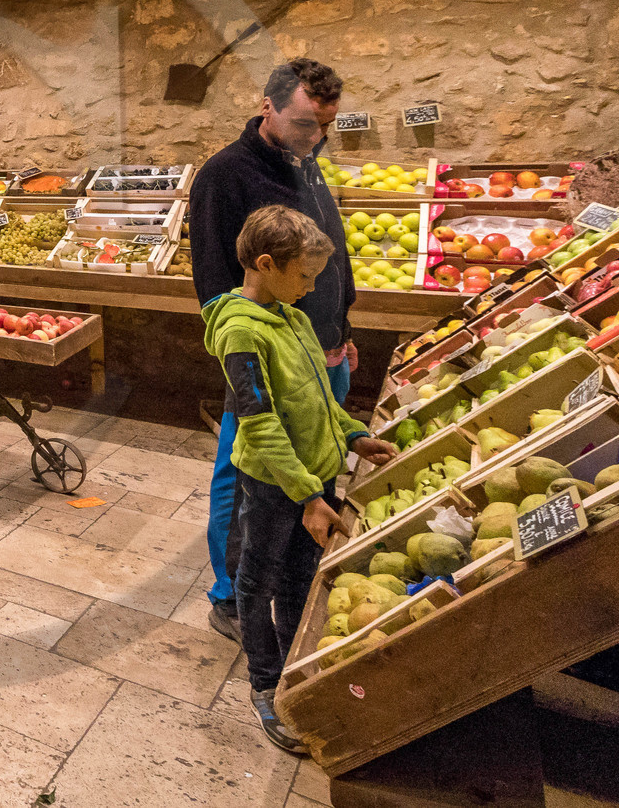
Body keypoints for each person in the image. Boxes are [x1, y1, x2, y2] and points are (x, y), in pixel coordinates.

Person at [201, 206, 394, 753]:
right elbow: (259, 424)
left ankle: (295, 669)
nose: (310, 289)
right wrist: (307, 494)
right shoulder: (240, 333)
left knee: (299, 580)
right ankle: (265, 685)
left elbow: (321, 399)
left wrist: (354, 435)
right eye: (303, 276)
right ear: (266, 264)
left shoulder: (293, 318)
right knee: (256, 583)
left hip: (312, 478)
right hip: (274, 484)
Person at [189, 58, 356, 646]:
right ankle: (231, 596)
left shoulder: (305, 164)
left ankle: (289, 581)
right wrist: (243, 364)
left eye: (326, 127)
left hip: (321, 350)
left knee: (311, 466)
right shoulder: (224, 176)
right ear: (269, 107)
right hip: (267, 360)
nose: (319, 138)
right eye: (308, 124)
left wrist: (340, 322)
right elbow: (214, 285)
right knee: (246, 475)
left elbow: (329, 252)